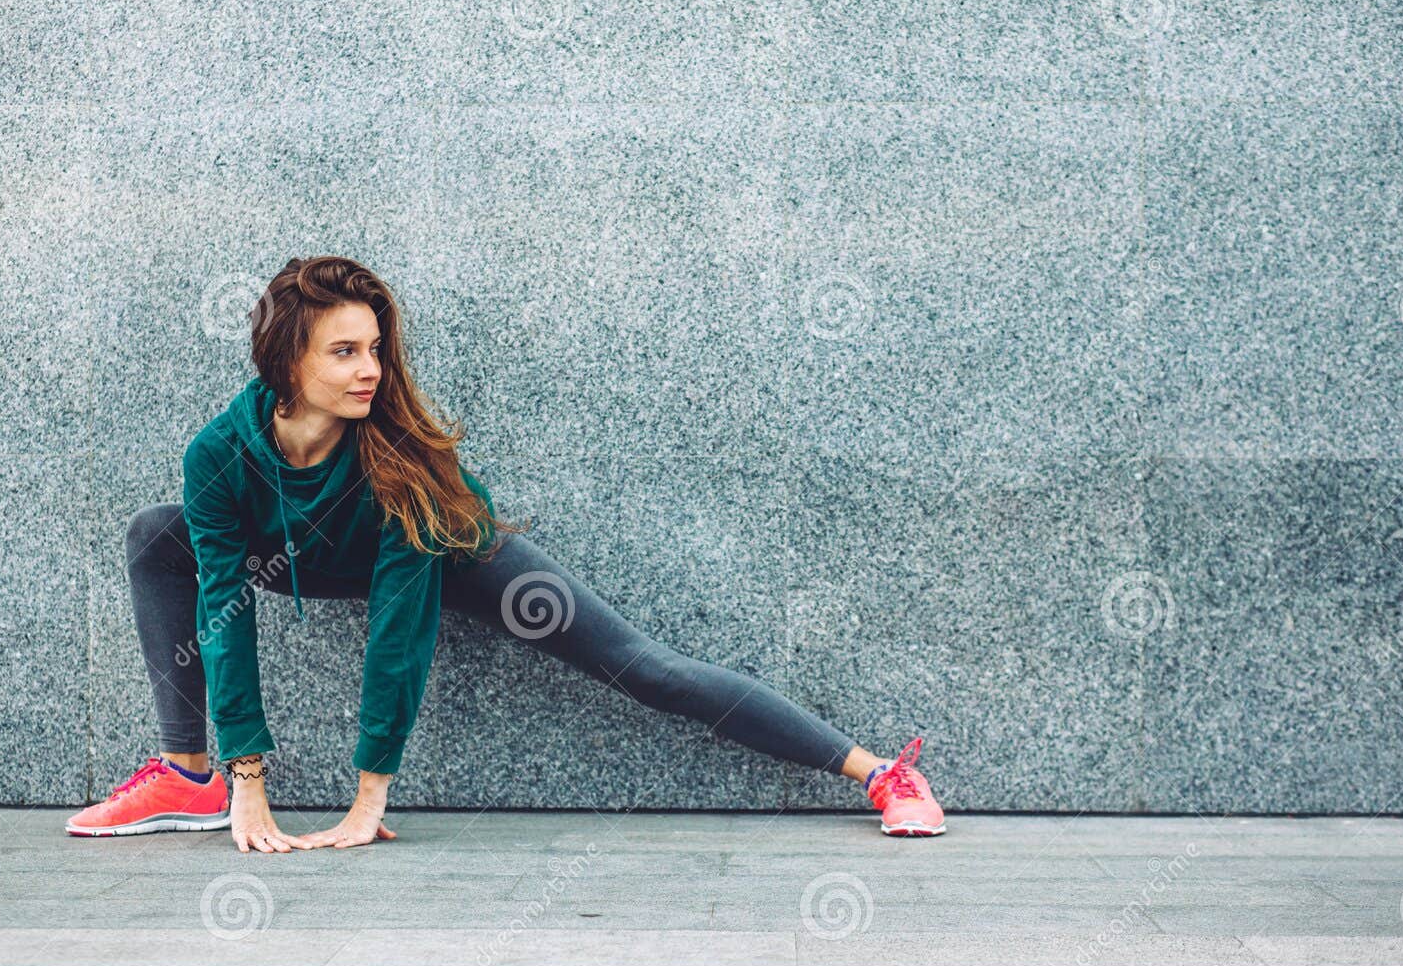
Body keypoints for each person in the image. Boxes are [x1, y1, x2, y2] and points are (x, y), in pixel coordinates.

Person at [66, 256, 946, 850]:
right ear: (285, 364)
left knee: (647, 667)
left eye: (375, 348)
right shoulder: (219, 454)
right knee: (157, 531)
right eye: (344, 352)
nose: (371, 368)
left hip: (454, 554)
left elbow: (400, 632)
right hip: (296, 550)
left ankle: (879, 773)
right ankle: (189, 774)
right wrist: (246, 776)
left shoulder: (398, 458)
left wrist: (370, 792)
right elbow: (223, 608)